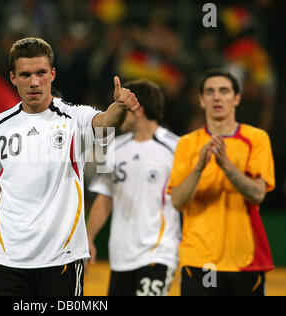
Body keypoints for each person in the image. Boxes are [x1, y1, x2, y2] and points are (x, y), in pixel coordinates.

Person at [0, 37, 139, 296]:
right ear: (13, 77)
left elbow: (106, 120)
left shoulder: (74, 118)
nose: (34, 81)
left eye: (41, 73)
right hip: (5, 260)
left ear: (52, 74)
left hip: (60, 261)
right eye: (25, 74)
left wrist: (119, 107)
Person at [167, 68, 276, 296]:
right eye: (210, 92)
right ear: (201, 100)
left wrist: (226, 164)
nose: (217, 97)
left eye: (224, 91)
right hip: (199, 260)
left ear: (236, 98)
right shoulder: (187, 144)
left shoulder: (256, 139)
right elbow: (177, 201)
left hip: (244, 260)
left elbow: (257, 194)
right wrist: (198, 168)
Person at [87, 79, 181, 296]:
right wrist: (89, 238)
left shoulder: (175, 148)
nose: (119, 115)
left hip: (158, 255)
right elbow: (104, 198)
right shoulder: (115, 149)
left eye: (123, 108)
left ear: (137, 108)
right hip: (120, 259)